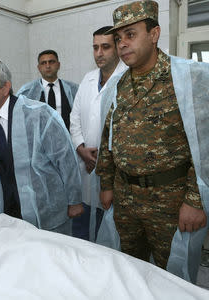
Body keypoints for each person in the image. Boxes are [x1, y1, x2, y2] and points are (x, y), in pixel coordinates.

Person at [95, 0, 209, 282]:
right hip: (126, 201)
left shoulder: (188, 79)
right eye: (119, 38)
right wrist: (107, 184)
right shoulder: (119, 84)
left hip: (170, 203)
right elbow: (107, 139)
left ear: (155, 33)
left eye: (131, 35)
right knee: (127, 272)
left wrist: (195, 201)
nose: (122, 44)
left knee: (173, 279)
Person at [0, 57, 84, 235]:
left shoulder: (39, 115)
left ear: (5, 87)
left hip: (47, 215)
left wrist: (74, 200)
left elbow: (66, 159)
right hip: (6, 216)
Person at [69, 26, 127, 241]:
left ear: (117, 48)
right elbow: (74, 118)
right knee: (82, 231)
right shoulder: (88, 78)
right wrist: (80, 148)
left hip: (114, 173)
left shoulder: (127, 78)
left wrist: (102, 159)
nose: (99, 53)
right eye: (95, 48)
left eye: (105, 47)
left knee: (110, 234)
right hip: (85, 165)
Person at [16, 50, 78, 130]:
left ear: (58, 65)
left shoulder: (73, 89)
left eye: (51, 62)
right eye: (43, 63)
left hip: (67, 139)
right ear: (39, 68)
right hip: (39, 141)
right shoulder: (27, 91)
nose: (48, 66)